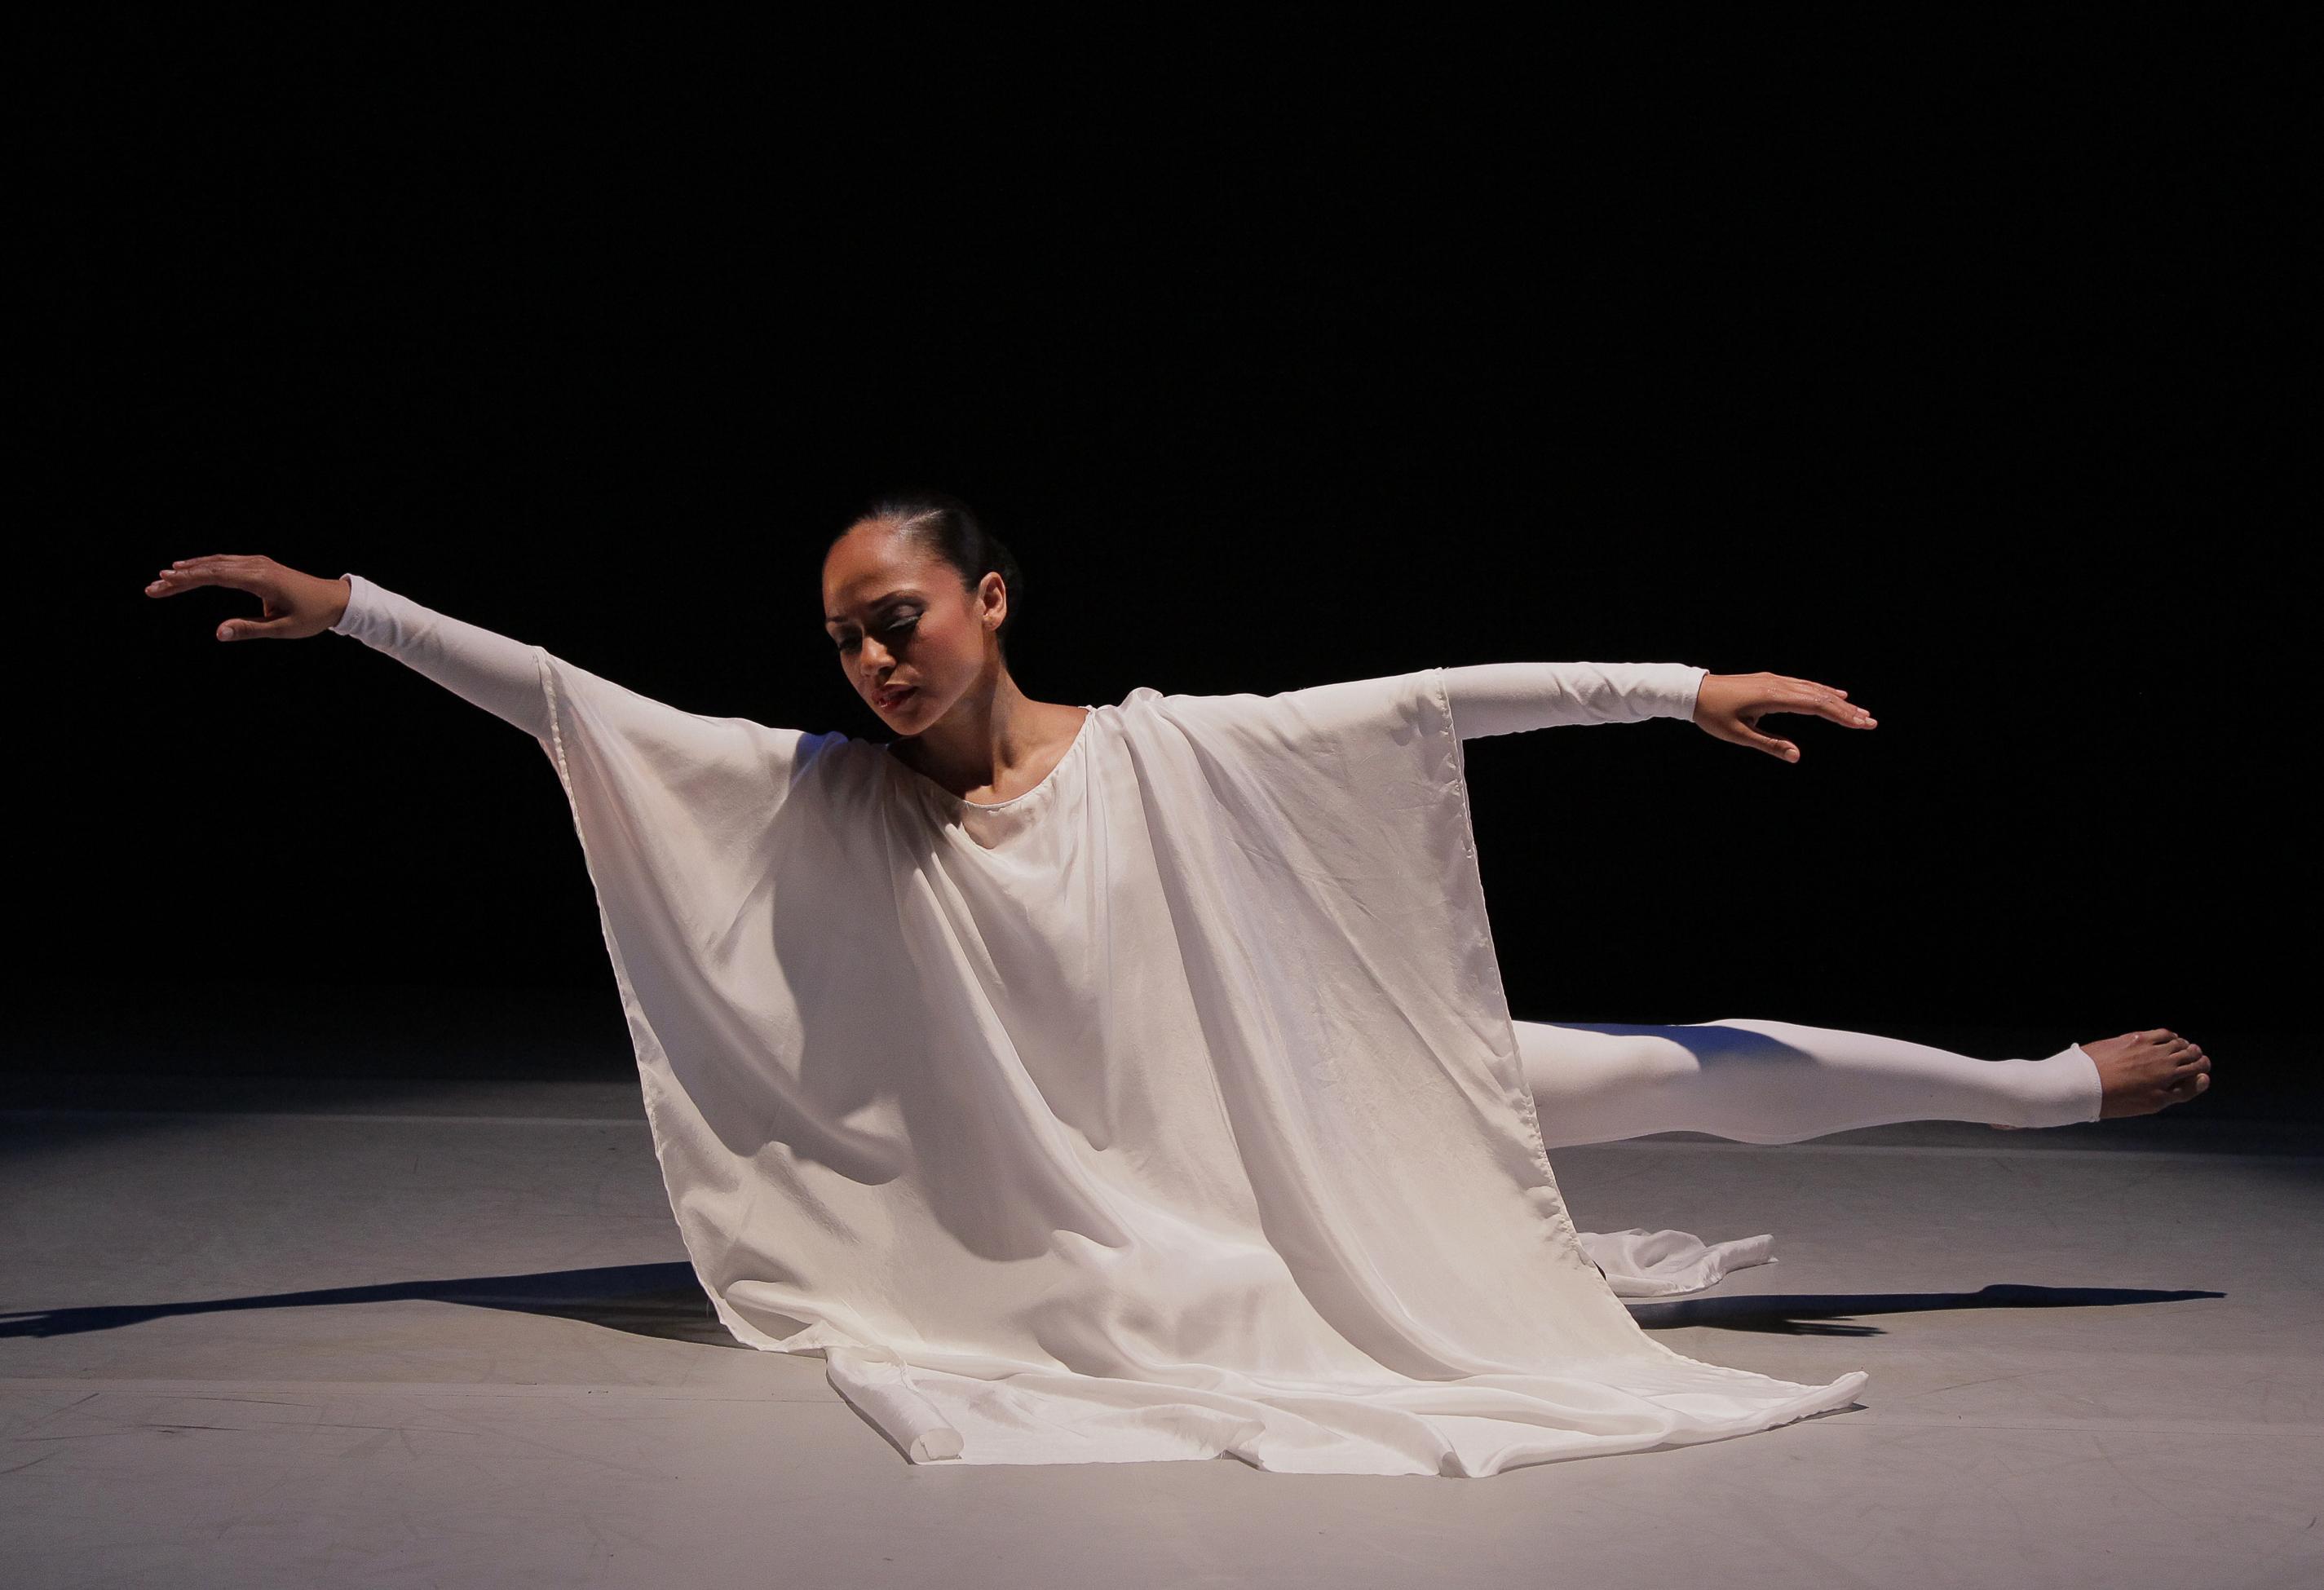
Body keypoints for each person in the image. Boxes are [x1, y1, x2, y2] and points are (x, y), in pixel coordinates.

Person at [141, 493, 2213, 1477]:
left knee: (1647, 1069)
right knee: (1626, 1089)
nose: (874, 659)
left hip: (1294, 1100)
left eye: (902, 617)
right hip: (1139, 1195)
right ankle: (2033, 1092)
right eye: (848, 635)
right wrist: (361, 615)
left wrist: (1678, 689)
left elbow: (1426, 700)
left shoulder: (1163, 744)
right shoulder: (839, 801)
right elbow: (574, 712)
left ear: (989, 599)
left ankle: (2039, 1090)